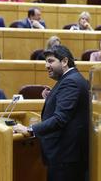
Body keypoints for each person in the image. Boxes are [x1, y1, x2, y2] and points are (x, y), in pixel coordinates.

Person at [13, 45, 89, 181]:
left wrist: (29, 129)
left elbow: (60, 118)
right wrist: (52, 97)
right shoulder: (70, 79)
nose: (46, 65)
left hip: (66, 158)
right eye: (46, 62)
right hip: (66, 156)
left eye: (50, 61)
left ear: (64, 61)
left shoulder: (70, 82)